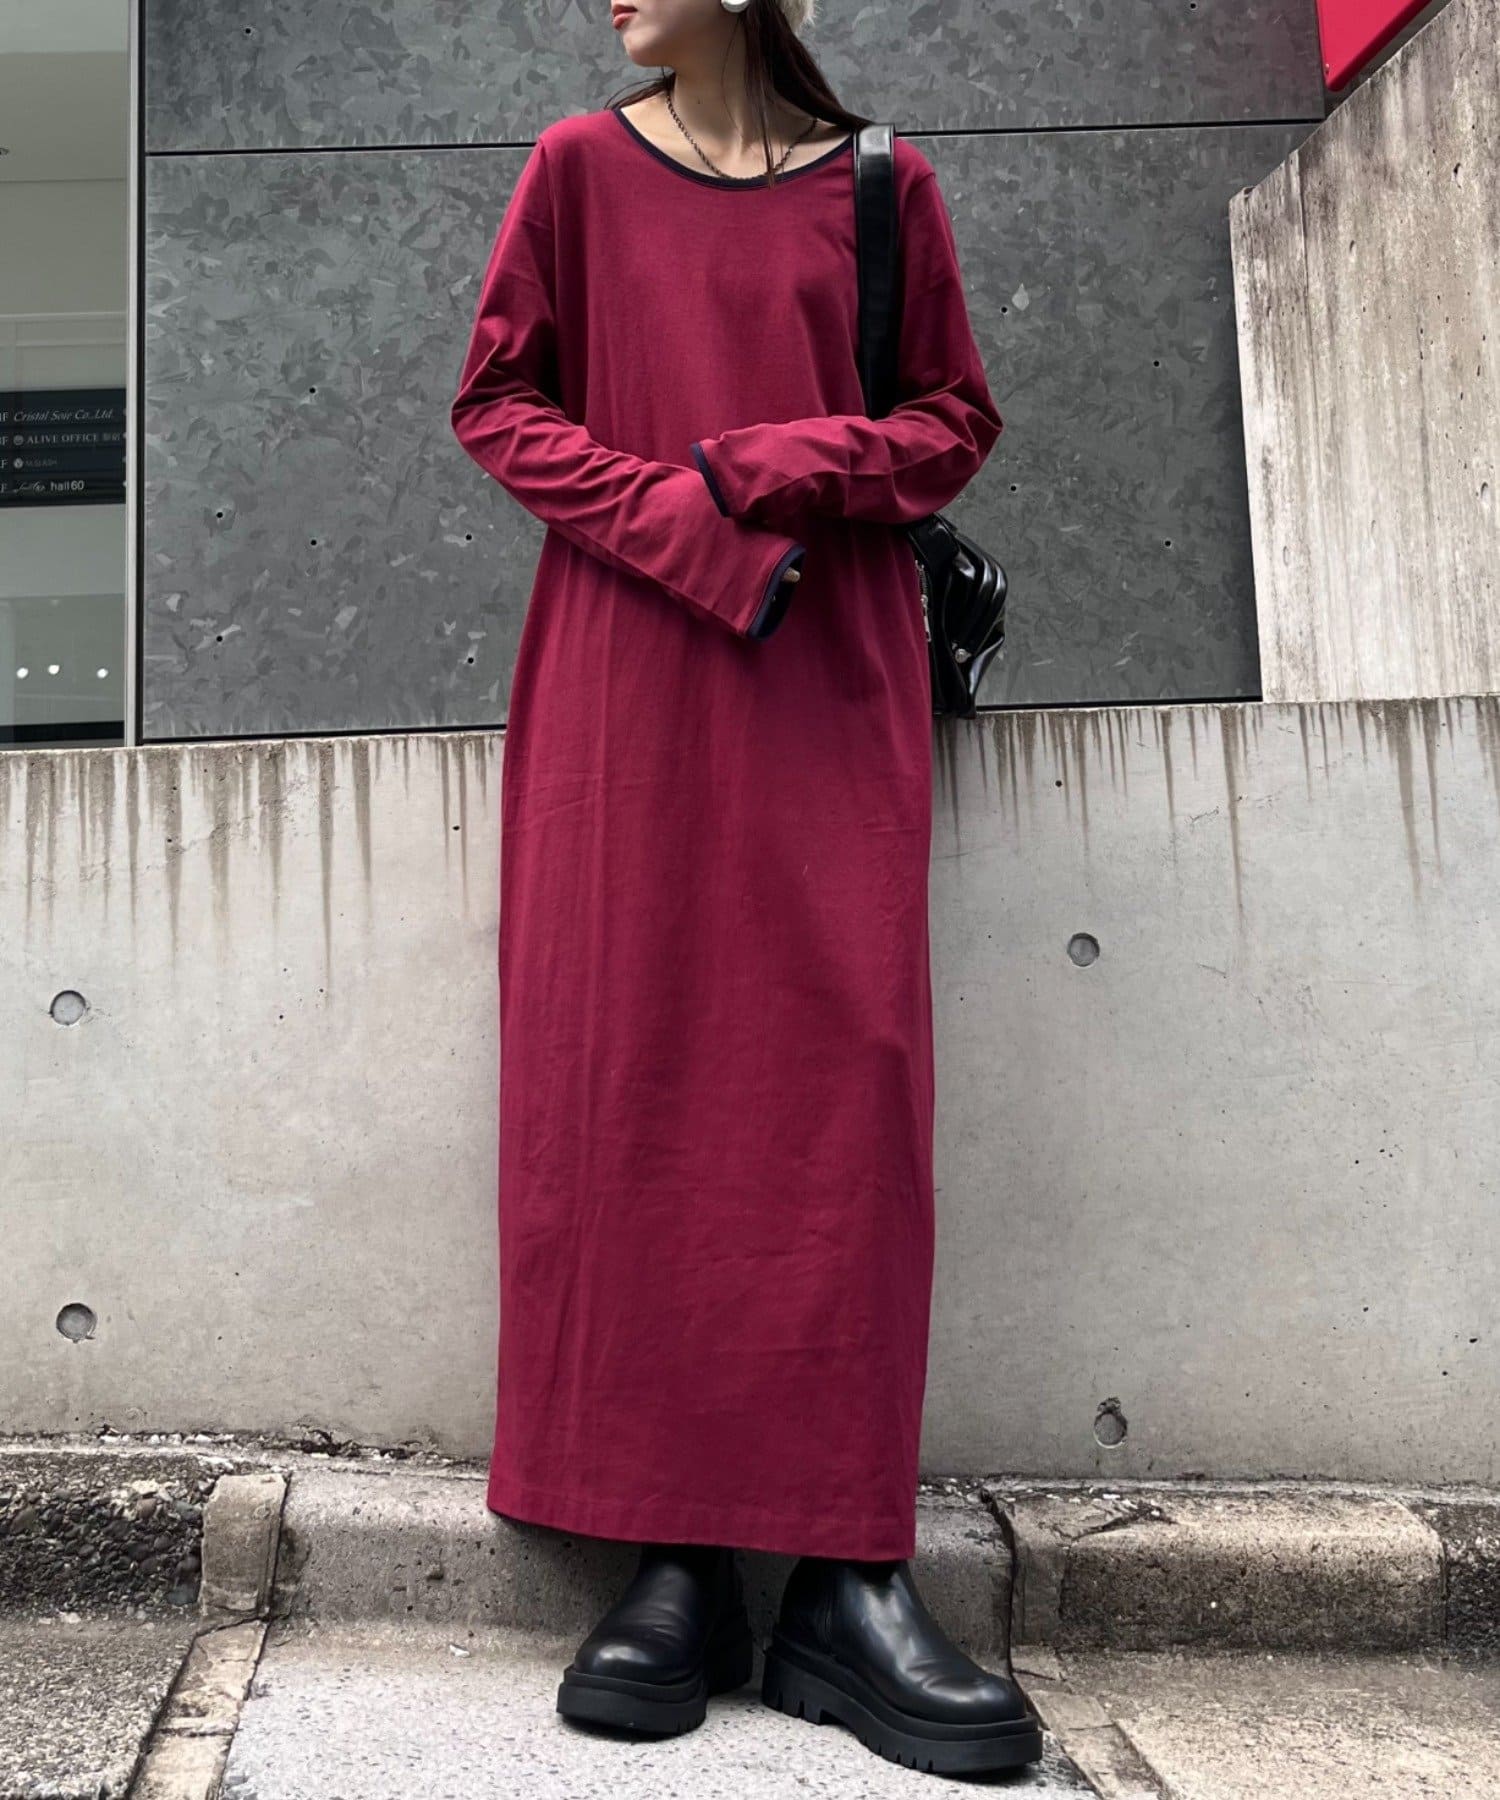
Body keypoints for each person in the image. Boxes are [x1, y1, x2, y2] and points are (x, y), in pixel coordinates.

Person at [449, 0, 1042, 1776]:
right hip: (625, 677)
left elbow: (953, 419)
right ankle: (676, 1561)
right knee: (630, 1081)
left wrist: (788, 462)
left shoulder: (883, 186)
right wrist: (681, 523)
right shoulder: (573, 169)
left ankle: (850, 1581)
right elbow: (496, 404)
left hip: (827, 674)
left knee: (844, 1092)